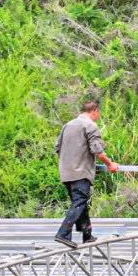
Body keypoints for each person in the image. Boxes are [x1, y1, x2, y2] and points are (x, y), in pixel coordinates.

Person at [53, 99, 119, 248]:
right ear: (94, 111)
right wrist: (110, 164)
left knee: (80, 203)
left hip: (66, 172)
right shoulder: (90, 125)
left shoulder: (67, 125)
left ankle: (87, 235)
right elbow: (98, 151)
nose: (98, 116)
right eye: (98, 113)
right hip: (80, 173)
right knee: (79, 202)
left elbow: (58, 148)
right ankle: (63, 234)